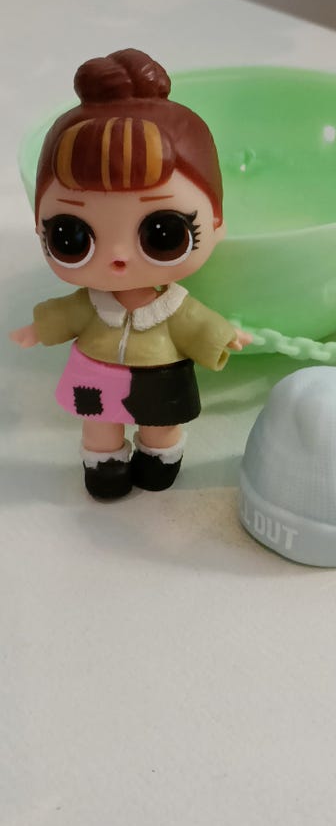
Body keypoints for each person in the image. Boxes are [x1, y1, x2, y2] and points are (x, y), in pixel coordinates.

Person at [10, 48, 251, 499]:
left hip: (160, 376)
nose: (118, 258)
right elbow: (66, 314)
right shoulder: (91, 304)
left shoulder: (171, 306)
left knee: (160, 426)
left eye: (163, 233)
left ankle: (160, 459)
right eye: (71, 236)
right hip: (96, 374)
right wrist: (38, 329)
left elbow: (194, 323)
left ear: (215, 223)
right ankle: (105, 467)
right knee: (99, 427)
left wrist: (222, 336)